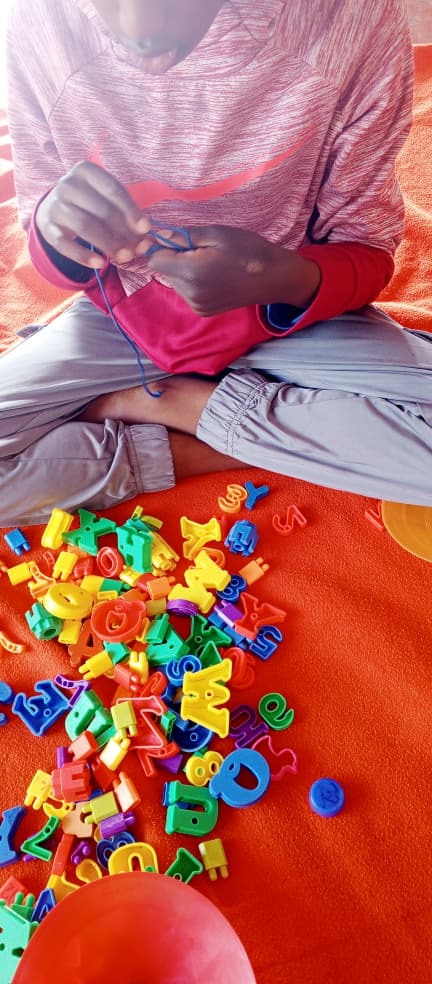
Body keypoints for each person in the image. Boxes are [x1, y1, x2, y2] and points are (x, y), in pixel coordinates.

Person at [2, 0, 431, 527]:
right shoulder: (37, 19)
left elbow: (366, 249)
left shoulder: (351, 20)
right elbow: (50, 242)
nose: (140, 28)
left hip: (293, 317)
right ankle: (212, 447)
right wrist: (54, 230)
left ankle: (173, 404)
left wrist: (278, 277)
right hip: (123, 324)